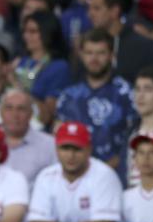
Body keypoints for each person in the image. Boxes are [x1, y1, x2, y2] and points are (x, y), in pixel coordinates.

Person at [56, 28, 135, 171]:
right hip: (75, 175)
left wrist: (105, 170)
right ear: (81, 55)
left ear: (112, 55)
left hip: (116, 174)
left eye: (101, 53)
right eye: (89, 53)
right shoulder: (68, 96)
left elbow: (134, 138)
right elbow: (58, 137)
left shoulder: (127, 92)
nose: (94, 59)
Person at [86, 0, 153, 85]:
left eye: (96, 8)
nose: (90, 14)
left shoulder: (140, 45)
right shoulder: (90, 44)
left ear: (114, 11)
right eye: (89, 9)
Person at [115, 66, 153, 187]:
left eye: (148, 89)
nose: (140, 96)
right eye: (137, 89)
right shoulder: (129, 132)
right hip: (129, 201)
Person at [15, 11, 72, 126]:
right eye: (25, 31)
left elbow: (49, 112)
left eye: (33, 31)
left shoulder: (59, 67)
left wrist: (14, 83)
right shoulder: (20, 62)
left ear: (48, 32)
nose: (26, 36)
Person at [0, 88, 57, 190]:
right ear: (0, 113)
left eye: (21, 109)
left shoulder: (49, 145)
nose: (15, 115)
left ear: (31, 114)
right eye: (9, 108)